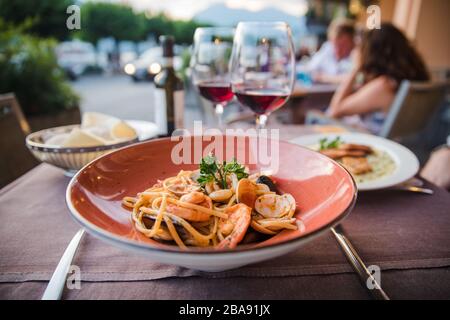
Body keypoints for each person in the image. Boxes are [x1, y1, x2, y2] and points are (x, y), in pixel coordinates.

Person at [327, 23, 429, 134]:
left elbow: (334, 110)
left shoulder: (384, 86)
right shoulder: (412, 80)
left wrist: (356, 68)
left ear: (372, 53)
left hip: (371, 144)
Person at [305, 19, 356, 84]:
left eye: (343, 45)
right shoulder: (328, 47)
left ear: (353, 42)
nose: (338, 50)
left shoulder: (357, 54)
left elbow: (356, 79)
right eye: (335, 45)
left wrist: (324, 77)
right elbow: (310, 70)